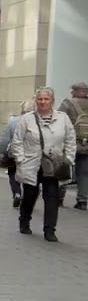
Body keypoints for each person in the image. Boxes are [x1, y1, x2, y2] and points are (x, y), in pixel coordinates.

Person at [10, 87, 78, 242]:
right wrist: (20, 159)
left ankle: (49, 230)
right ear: (36, 101)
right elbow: (18, 140)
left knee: (52, 197)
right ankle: (24, 220)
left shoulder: (63, 118)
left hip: (54, 164)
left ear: (52, 101)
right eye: (40, 99)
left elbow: (70, 140)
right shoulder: (27, 118)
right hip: (32, 163)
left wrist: (68, 158)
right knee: (30, 195)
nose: (42, 102)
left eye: (46, 99)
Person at [56, 80, 88, 210]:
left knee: (65, 168)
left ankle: (59, 197)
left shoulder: (67, 103)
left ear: (77, 91)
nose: (71, 92)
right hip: (86, 144)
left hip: (71, 142)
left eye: (73, 90)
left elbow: (58, 120)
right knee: (84, 172)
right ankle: (82, 200)